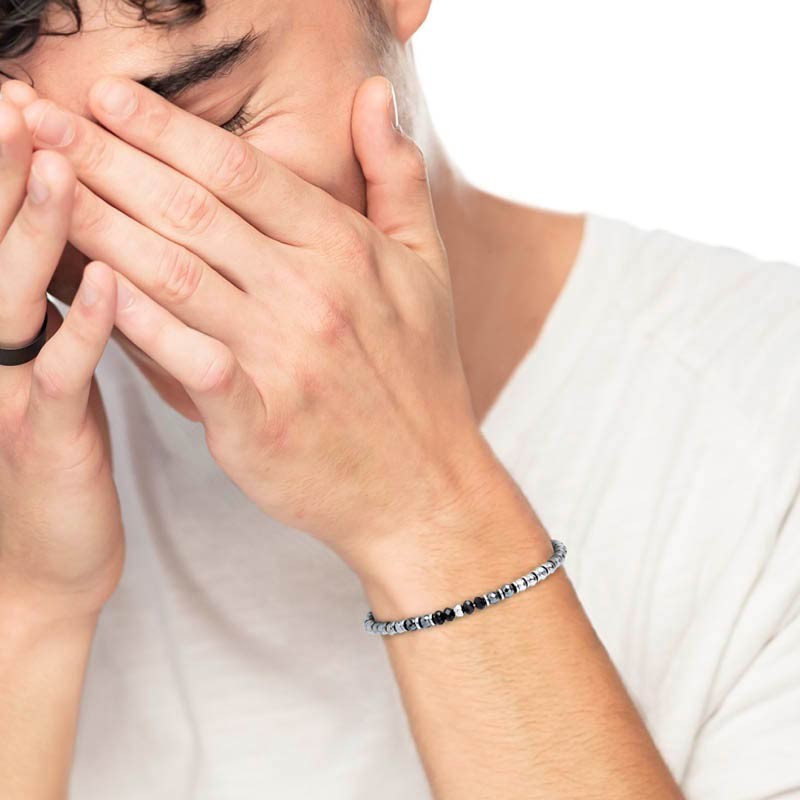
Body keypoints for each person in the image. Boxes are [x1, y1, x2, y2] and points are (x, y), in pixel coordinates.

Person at [0, 1, 798, 798]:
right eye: (34, 173)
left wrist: (428, 511)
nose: (128, 246)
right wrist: (28, 609)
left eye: (208, 119)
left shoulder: (764, 419)